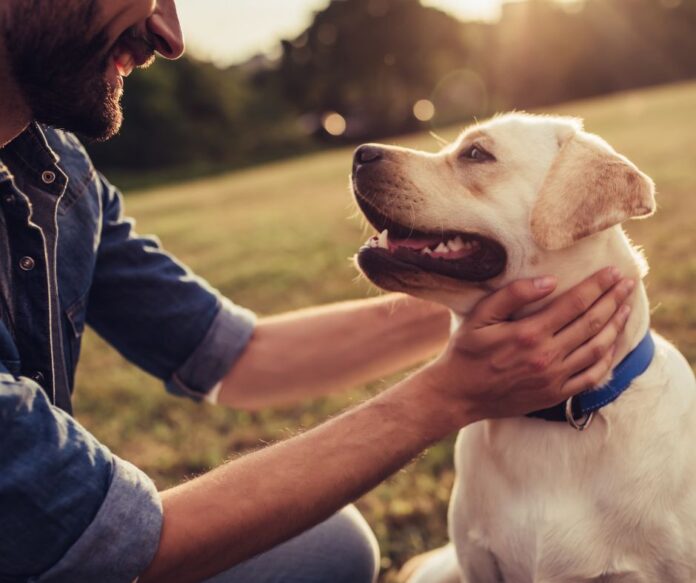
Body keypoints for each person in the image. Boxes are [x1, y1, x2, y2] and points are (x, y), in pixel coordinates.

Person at [0, 2, 634, 582]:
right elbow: (103, 545)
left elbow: (238, 355)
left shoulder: (57, 172)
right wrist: (446, 395)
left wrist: (511, 296)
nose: (169, 36)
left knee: (331, 546)